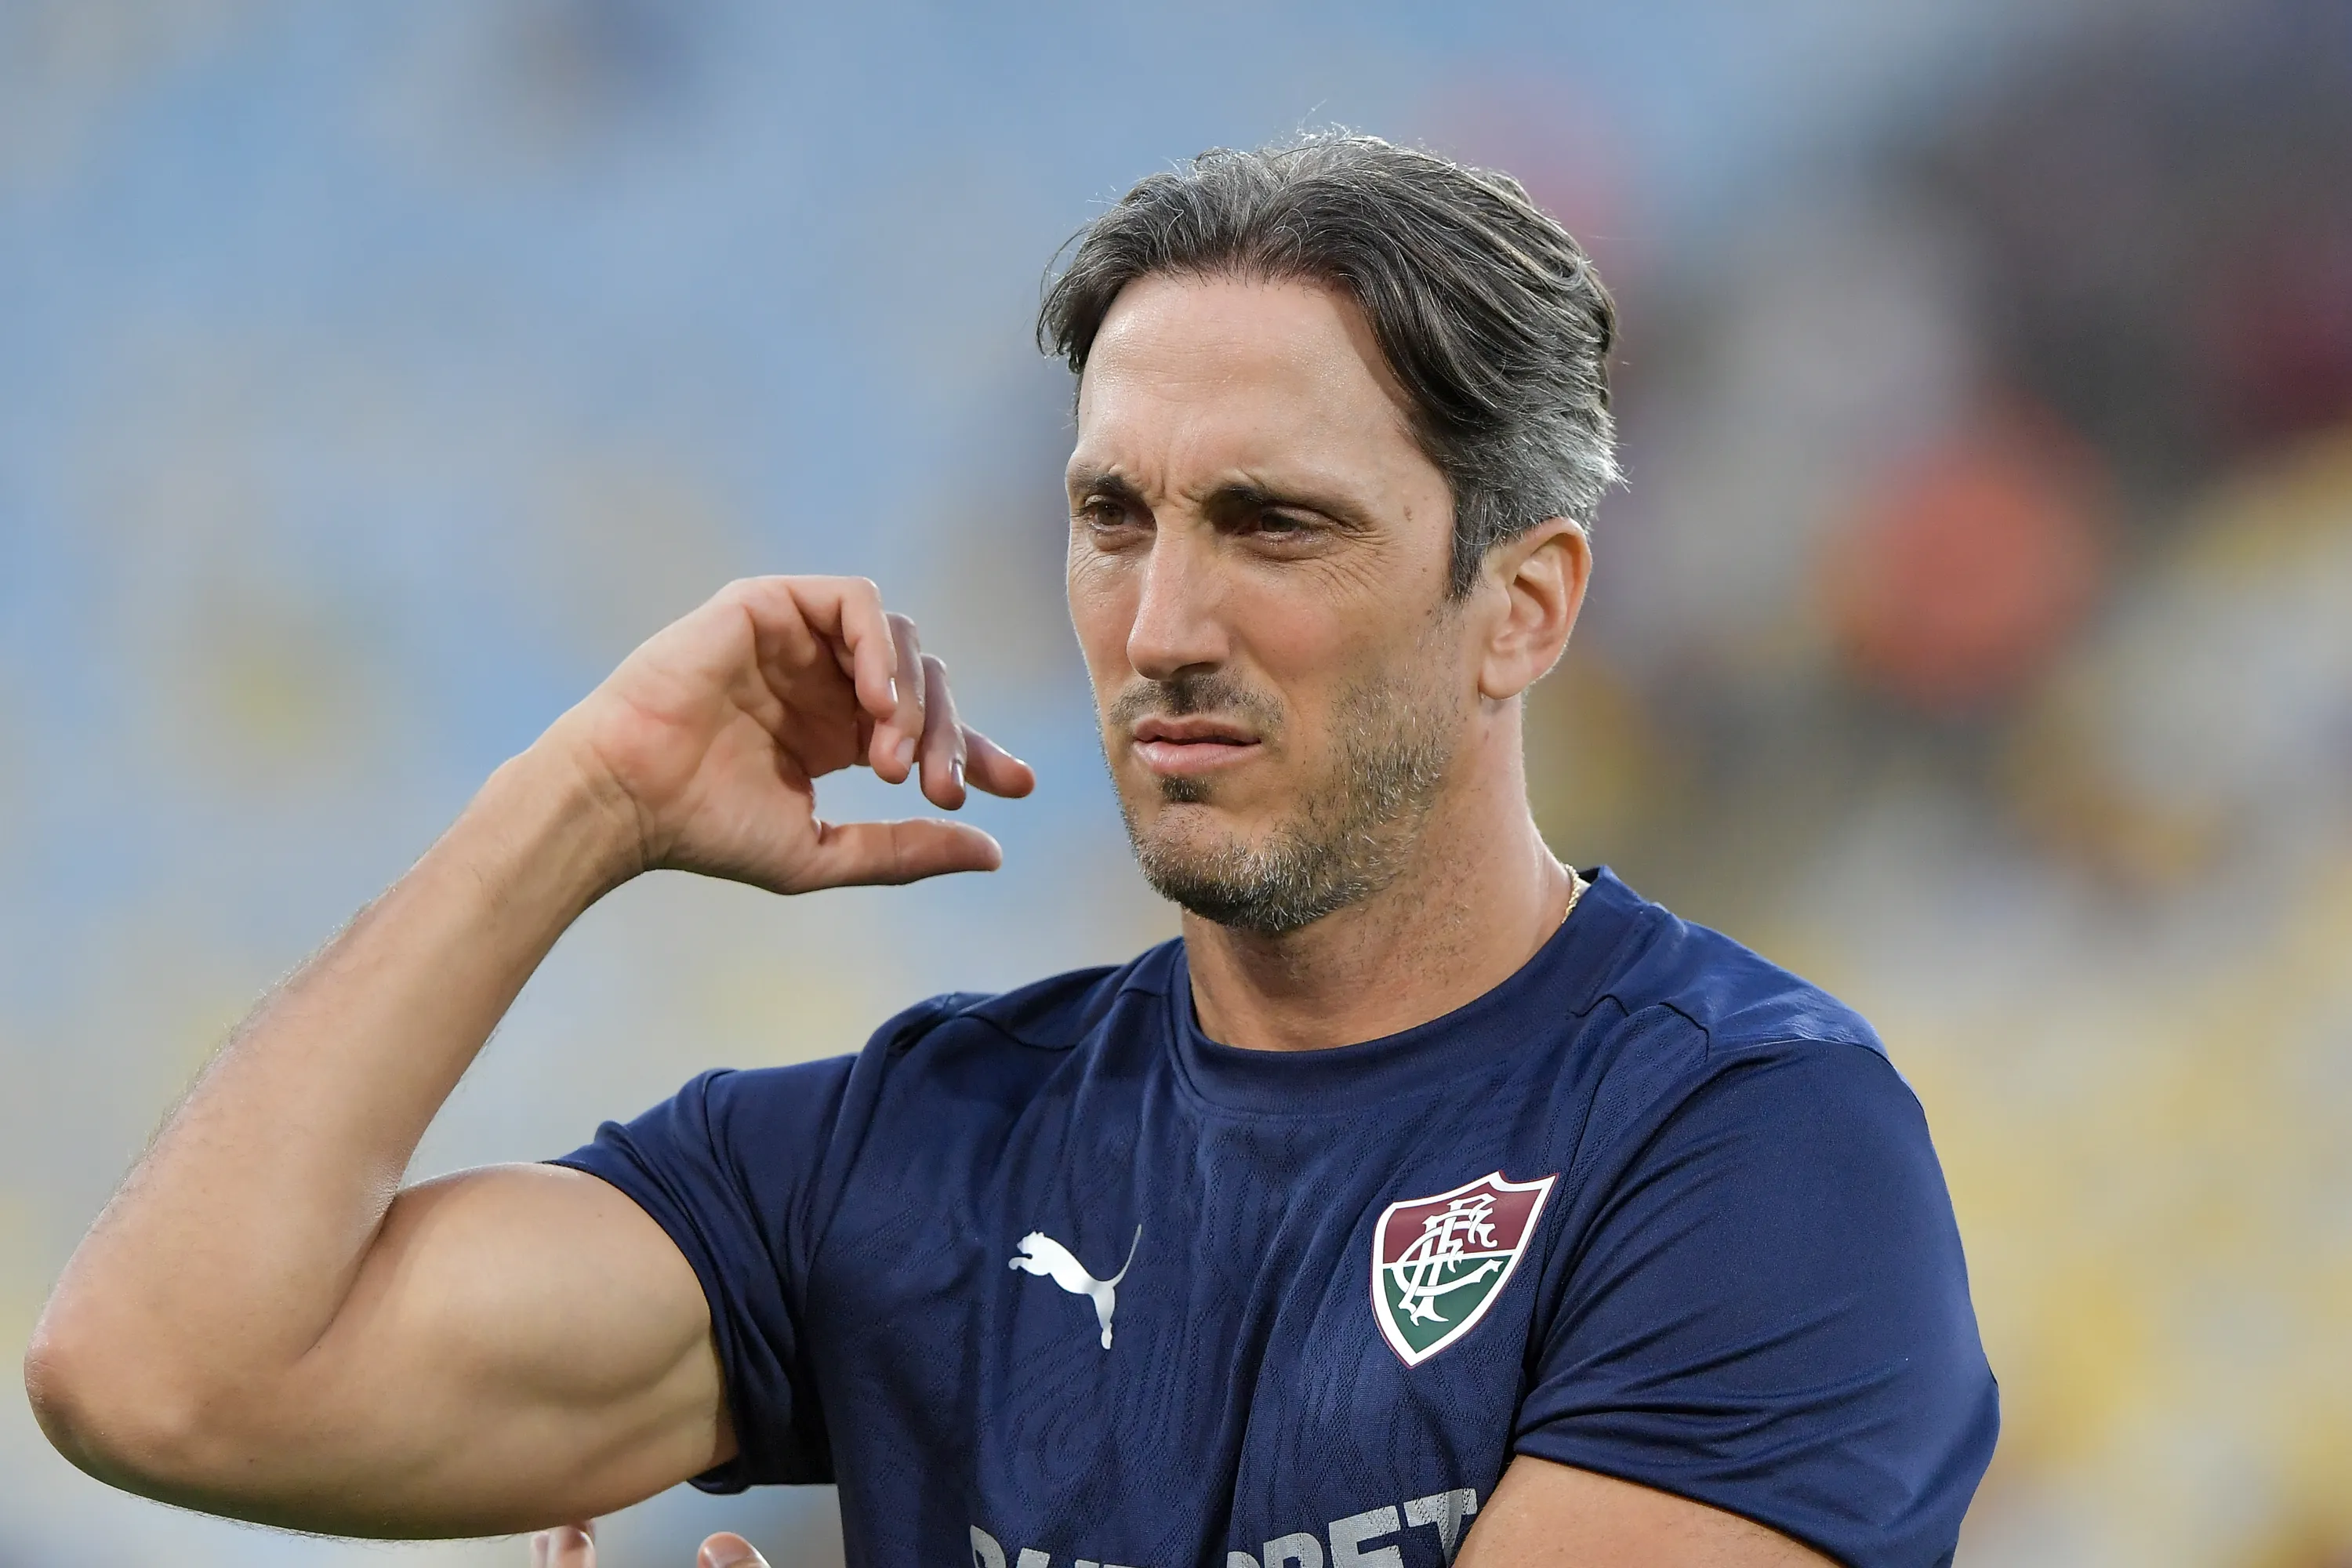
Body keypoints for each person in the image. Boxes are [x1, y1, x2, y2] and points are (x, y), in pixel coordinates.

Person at [25, 136, 1997, 1567]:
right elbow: (167, 1372)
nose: (1161, 627)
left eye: (1275, 523)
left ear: (1525, 604)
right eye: (1115, 515)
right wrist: (591, 798)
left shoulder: (1748, 1142)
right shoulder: (919, 1149)